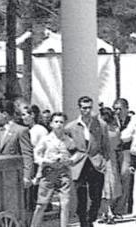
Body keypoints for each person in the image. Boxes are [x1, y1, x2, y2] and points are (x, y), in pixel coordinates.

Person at [66, 95, 112, 227]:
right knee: (81, 195)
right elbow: (67, 146)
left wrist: (104, 161)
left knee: (96, 195)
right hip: (79, 163)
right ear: (79, 108)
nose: (87, 111)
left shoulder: (100, 125)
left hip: (95, 162)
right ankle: (83, 221)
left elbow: (106, 145)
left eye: (89, 108)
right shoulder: (71, 127)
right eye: (84, 108)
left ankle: (91, 216)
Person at [30, 112, 75, 227]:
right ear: (51, 124)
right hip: (48, 172)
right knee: (41, 204)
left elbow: (76, 153)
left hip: (63, 173)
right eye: (56, 122)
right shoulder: (46, 139)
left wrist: (70, 160)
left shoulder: (68, 140)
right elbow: (36, 154)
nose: (59, 124)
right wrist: (45, 161)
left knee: (65, 204)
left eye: (61, 122)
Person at [0, 99, 34, 209]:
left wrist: (27, 177)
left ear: (5, 114)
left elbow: (27, 154)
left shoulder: (21, 130)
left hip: (14, 176)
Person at [99, 105, 123, 222]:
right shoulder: (115, 130)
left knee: (105, 186)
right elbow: (117, 144)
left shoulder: (100, 131)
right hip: (110, 158)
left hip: (102, 158)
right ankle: (107, 212)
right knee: (110, 185)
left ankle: (106, 212)